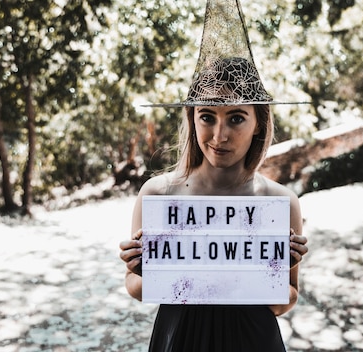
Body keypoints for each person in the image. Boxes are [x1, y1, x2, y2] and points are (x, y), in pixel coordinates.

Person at [118, 56, 309, 351]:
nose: (219, 136)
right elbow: (134, 285)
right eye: (207, 116)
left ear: (259, 123)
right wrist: (140, 266)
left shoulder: (281, 202)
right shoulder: (158, 194)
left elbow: (285, 300)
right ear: (192, 118)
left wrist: (274, 270)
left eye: (236, 118)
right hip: (181, 338)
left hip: (253, 341)